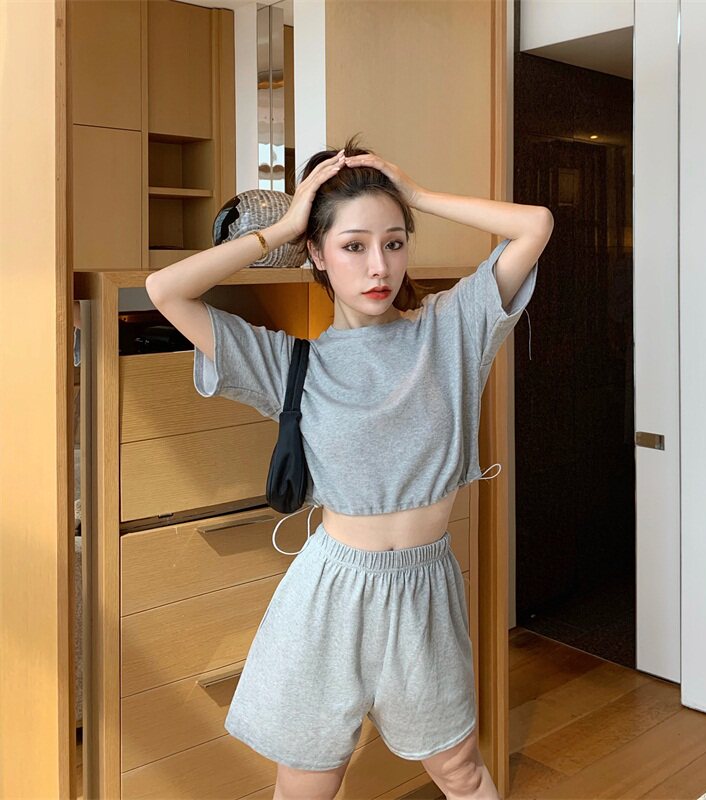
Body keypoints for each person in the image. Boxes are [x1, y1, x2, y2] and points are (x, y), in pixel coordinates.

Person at [145, 135, 554, 800]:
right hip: (330, 596)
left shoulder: (450, 330)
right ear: (317, 252)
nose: (378, 266)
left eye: (394, 242)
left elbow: (535, 224)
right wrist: (283, 225)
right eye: (354, 245)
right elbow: (166, 289)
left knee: (460, 771)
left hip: (425, 592)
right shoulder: (291, 364)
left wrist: (414, 194)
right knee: (309, 785)